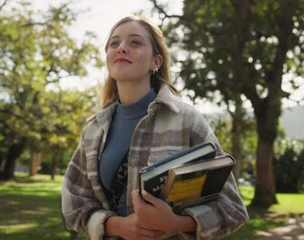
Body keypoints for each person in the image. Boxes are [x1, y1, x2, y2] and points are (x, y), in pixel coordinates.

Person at [61, 15, 249, 240]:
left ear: (156, 62)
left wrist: (176, 223)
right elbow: (74, 206)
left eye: (135, 42)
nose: (121, 48)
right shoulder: (93, 131)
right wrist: (118, 226)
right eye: (114, 43)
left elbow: (232, 208)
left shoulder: (187, 121)